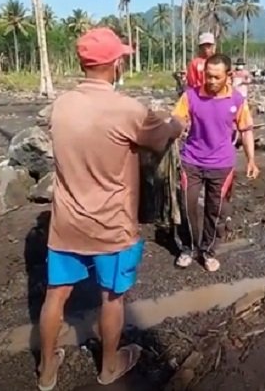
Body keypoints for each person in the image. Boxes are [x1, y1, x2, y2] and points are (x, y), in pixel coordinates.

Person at [37, 27, 183, 390]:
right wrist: (177, 124)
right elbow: (161, 137)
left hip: (66, 222)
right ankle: (109, 366)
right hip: (112, 226)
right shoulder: (128, 110)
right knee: (112, 298)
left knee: (56, 294)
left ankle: (46, 370)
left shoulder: (62, 105)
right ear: (116, 64)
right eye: (122, 59)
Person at [171, 53, 260, 272]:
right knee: (186, 205)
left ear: (228, 76)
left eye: (216, 77)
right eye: (207, 76)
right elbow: (175, 121)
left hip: (222, 165)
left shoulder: (237, 101)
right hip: (191, 160)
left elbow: (246, 130)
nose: (210, 81)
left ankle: (208, 251)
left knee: (216, 210)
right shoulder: (190, 96)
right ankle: (188, 248)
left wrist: (251, 160)